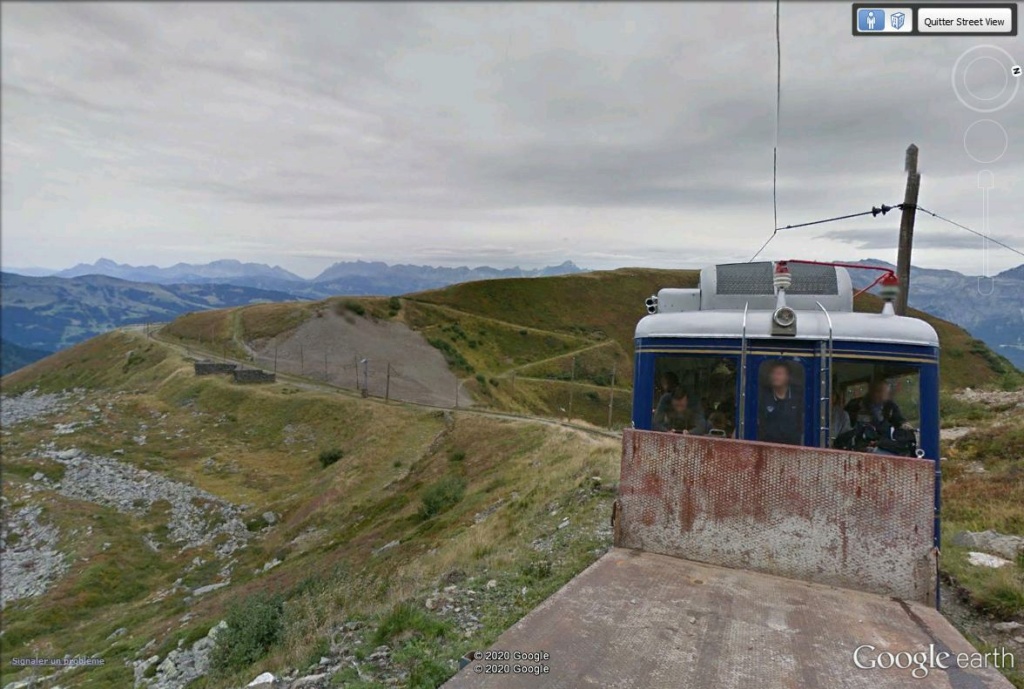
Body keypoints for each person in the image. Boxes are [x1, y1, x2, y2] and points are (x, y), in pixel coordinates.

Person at [758, 361, 803, 445]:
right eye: (773, 373)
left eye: (779, 374)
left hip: (793, 447)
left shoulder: (798, 397)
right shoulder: (763, 396)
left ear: (788, 377)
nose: (775, 376)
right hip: (767, 446)